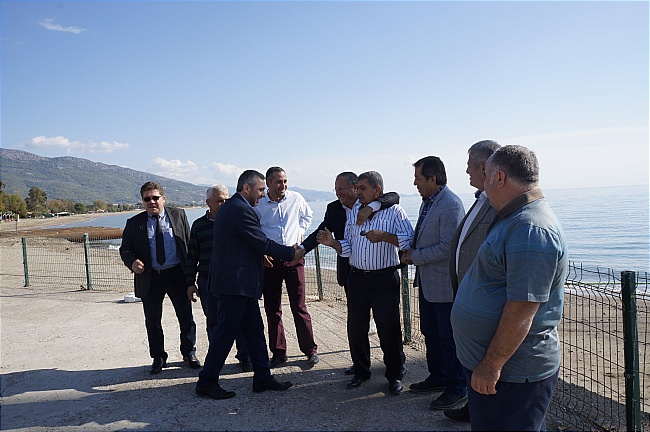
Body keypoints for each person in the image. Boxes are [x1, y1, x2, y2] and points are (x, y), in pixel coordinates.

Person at [451, 145, 568, 431]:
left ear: (499, 177)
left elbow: (522, 309)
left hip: (511, 375)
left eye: (487, 174)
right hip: (500, 373)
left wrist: (491, 365)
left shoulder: (531, 228)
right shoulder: (514, 218)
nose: (483, 182)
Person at [195, 170, 304, 399]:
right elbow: (260, 241)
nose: (263, 194)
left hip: (241, 284)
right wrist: (290, 253)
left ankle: (262, 377)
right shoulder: (240, 209)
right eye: (261, 189)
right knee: (225, 333)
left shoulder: (233, 207)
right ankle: (207, 381)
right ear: (247, 188)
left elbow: (246, 243)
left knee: (254, 331)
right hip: (235, 284)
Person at [317, 171, 413, 396]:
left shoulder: (395, 212)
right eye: (357, 188)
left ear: (377, 190)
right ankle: (361, 372)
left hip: (384, 278)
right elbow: (349, 247)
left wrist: (384, 236)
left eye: (362, 188)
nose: (358, 192)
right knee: (356, 329)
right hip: (357, 278)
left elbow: (409, 241)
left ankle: (394, 375)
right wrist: (332, 243)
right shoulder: (354, 212)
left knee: (389, 329)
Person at [400, 156, 466, 410]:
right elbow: (423, 237)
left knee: (449, 338)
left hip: (444, 285)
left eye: (418, 178)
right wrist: (410, 250)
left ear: (432, 179)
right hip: (428, 283)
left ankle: (457, 388)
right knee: (431, 333)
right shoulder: (428, 202)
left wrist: (414, 256)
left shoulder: (450, 204)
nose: (414, 183)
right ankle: (438, 377)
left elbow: (448, 247)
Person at [443, 140, 501, 422]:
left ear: (483, 167)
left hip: (484, 301)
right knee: (471, 358)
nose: (466, 170)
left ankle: (483, 411)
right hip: (468, 296)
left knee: (485, 361)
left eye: (469, 165)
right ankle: (474, 407)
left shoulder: (499, 204)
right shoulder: (480, 199)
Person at [119, 181, 199, 374]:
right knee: (153, 320)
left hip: (177, 274)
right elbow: (125, 249)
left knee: (185, 317)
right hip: (150, 277)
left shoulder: (179, 215)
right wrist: (132, 262)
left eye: (155, 198)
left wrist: (192, 276)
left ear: (163, 198)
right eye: (147, 199)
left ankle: (189, 352)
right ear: (142, 201)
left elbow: (189, 244)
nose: (151, 202)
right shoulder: (134, 223)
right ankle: (158, 357)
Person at [185, 185, 252, 372]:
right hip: (208, 281)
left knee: (240, 320)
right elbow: (192, 256)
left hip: (235, 281)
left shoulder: (236, 221)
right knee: (214, 322)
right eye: (219, 200)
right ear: (208, 203)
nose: (224, 203)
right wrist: (190, 283)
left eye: (226, 200)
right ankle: (217, 360)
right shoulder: (199, 225)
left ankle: (245, 357)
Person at [255, 166, 318, 368]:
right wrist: (261, 251)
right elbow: (254, 229)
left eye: (285, 181)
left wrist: (300, 232)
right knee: (273, 309)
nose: (283, 185)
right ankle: (278, 352)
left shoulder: (296, 198)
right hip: (271, 261)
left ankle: (310, 350)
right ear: (268, 184)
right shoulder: (259, 204)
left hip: (294, 257)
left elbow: (307, 216)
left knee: (299, 306)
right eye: (278, 182)